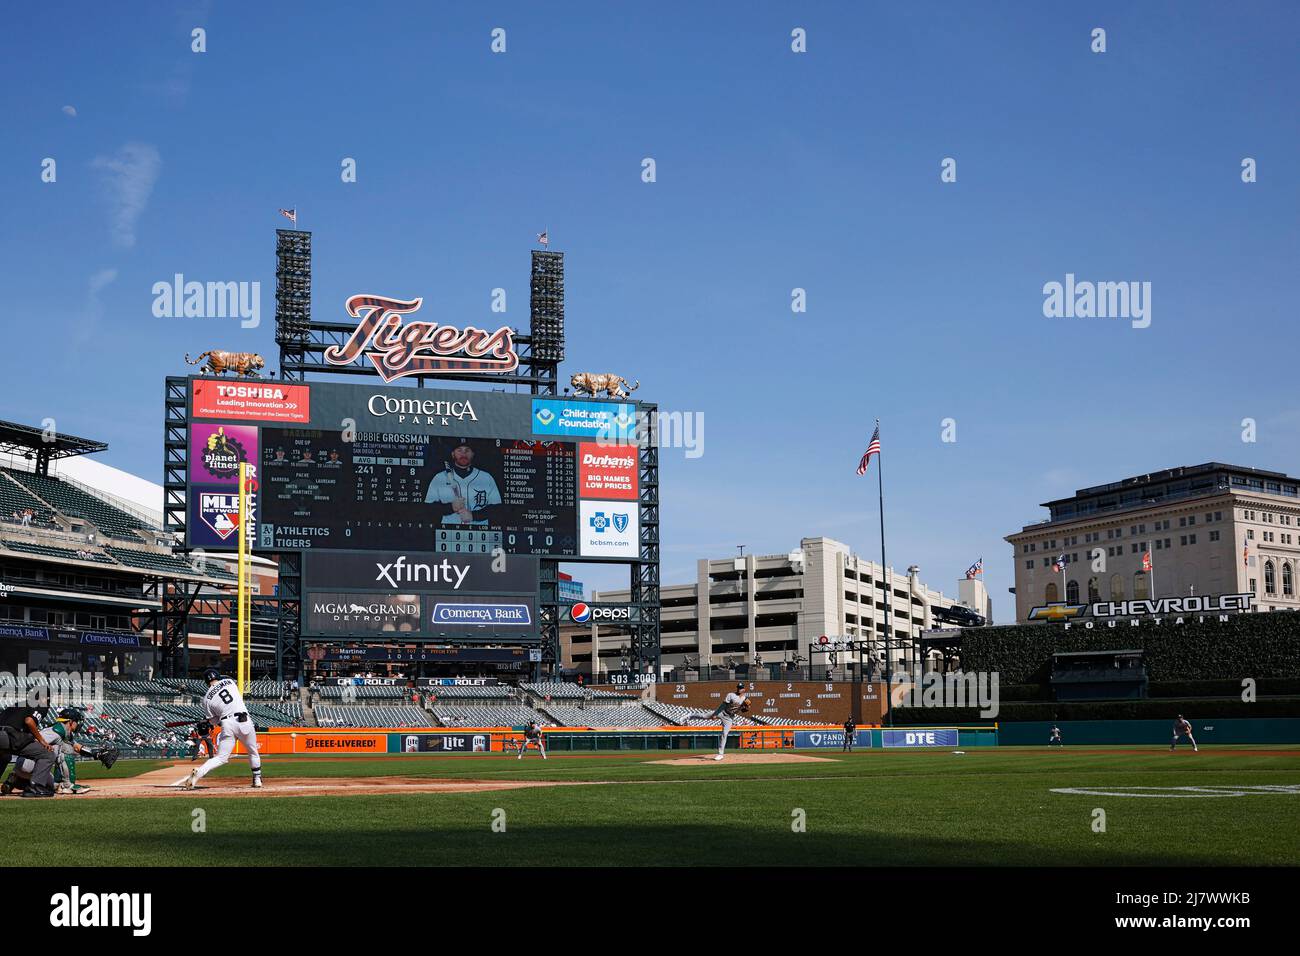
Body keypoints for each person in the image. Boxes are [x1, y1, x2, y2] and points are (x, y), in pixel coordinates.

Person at [178, 669, 264, 789]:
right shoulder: (229, 682)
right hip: (244, 720)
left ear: (206, 682)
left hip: (227, 723)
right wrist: (210, 720)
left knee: (221, 757)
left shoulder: (206, 699)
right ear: (217, 676)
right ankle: (257, 779)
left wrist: (206, 721)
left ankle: (199, 772)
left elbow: (214, 721)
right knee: (253, 752)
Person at [424, 442, 501, 527]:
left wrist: (474, 516)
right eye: (459, 450)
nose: (463, 454)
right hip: (449, 533)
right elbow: (428, 509)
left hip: (480, 534)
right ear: (453, 454)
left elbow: (498, 509)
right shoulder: (440, 477)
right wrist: (450, 507)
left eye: (467, 450)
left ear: (472, 454)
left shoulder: (486, 478)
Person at [0, 702, 57, 798]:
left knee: (4, 756)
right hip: (11, 737)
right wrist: (42, 741)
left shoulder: (16, 704)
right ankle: (36, 787)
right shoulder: (40, 705)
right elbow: (29, 721)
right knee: (48, 754)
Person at [688, 682, 750, 761]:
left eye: (741, 688)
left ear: (744, 689)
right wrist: (716, 714)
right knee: (705, 716)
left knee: (724, 734)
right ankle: (690, 716)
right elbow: (723, 705)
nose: (739, 689)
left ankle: (720, 754)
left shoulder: (745, 699)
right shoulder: (731, 695)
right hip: (722, 712)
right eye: (738, 687)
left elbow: (744, 710)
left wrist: (746, 707)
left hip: (729, 718)